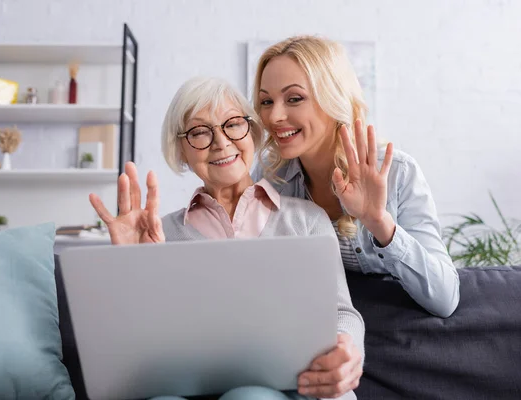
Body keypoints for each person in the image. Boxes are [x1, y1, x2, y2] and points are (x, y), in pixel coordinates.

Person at [89, 77, 364, 400]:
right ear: (180, 150)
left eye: (233, 124)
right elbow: (130, 352)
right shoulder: (158, 235)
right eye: (200, 132)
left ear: (253, 132)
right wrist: (129, 266)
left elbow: (342, 312)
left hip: (298, 387)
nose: (221, 142)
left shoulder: (306, 219)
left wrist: (346, 346)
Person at [252, 35, 460, 318]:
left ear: (332, 99)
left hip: (397, 334)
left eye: (294, 98)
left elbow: (445, 298)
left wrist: (379, 223)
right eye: (266, 101)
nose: (274, 116)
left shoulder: (398, 172)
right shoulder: (269, 178)